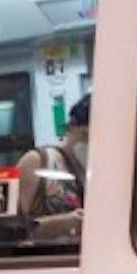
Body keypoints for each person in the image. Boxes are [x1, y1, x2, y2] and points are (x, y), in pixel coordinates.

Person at [17, 94, 88, 242]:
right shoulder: (38, 162)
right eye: (84, 136)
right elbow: (12, 231)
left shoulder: (99, 173)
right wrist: (66, 223)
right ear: (71, 128)